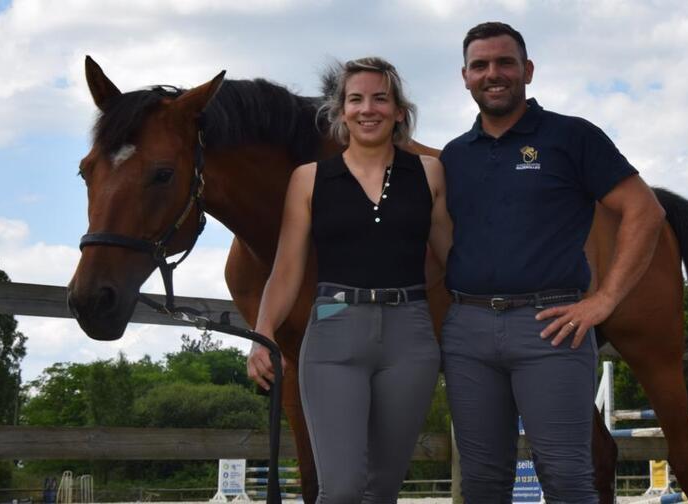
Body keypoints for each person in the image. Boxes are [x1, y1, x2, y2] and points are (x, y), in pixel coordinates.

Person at [440, 22, 666, 503]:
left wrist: (604, 301)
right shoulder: (454, 157)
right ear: (465, 77)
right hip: (468, 330)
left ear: (528, 70)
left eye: (505, 62)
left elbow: (645, 211)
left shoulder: (571, 137)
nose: (493, 73)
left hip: (550, 327)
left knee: (566, 479)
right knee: (480, 484)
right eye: (480, 65)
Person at [246, 56, 452, 504]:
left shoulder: (430, 174)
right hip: (334, 332)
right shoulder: (308, 180)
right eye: (355, 99)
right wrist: (262, 332)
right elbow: (286, 270)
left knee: (382, 490)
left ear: (399, 110)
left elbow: (453, 260)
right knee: (339, 489)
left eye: (381, 98)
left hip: (410, 339)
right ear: (340, 112)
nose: (368, 109)